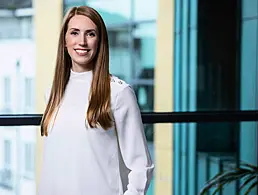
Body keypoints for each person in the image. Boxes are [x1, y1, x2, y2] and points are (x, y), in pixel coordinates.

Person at [38, 5, 154, 195]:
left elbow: (141, 166)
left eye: (90, 34)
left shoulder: (118, 92)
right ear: (64, 41)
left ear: (100, 42)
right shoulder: (52, 93)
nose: (82, 41)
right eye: (74, 33)